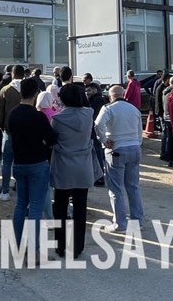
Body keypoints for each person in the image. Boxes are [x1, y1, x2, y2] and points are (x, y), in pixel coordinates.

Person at [7, 77, 58, 259]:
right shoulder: (38, 117)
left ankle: (18, 247)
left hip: (19, 163)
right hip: (37, 163)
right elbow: (52, 138)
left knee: (21, 204)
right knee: (36, 207)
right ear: (36, 94)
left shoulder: (13, 114)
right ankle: (34, 251)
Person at [51, 84, 102, 259]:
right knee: (81, 207)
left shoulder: (58, 119)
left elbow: (53, 140)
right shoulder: (89, 115)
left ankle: (60, 246)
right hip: (83, 165)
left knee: (60, 206)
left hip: (63, 165)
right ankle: (78, 247)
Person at [95, 84, 144, 232]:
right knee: (133, 187)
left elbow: (98, 125)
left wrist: (104, 140)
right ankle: (137, 222)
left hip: (116, 149)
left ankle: (120, 224)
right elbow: (140, 131)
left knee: (116, 189)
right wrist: (137, 143)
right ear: (123, 94)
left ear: (111, 96)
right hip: (134, 148)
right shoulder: (134, 109)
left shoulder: (108, 109)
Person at [0, 64, 26, 201]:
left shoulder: (5, 89)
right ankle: (20, 188)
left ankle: (5, 190)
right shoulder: (29, 89)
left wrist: (2, 127)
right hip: (26, 132)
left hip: (9, 131)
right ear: (23, 74)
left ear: (12, 74)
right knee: (22, 162)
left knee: (6, 162)